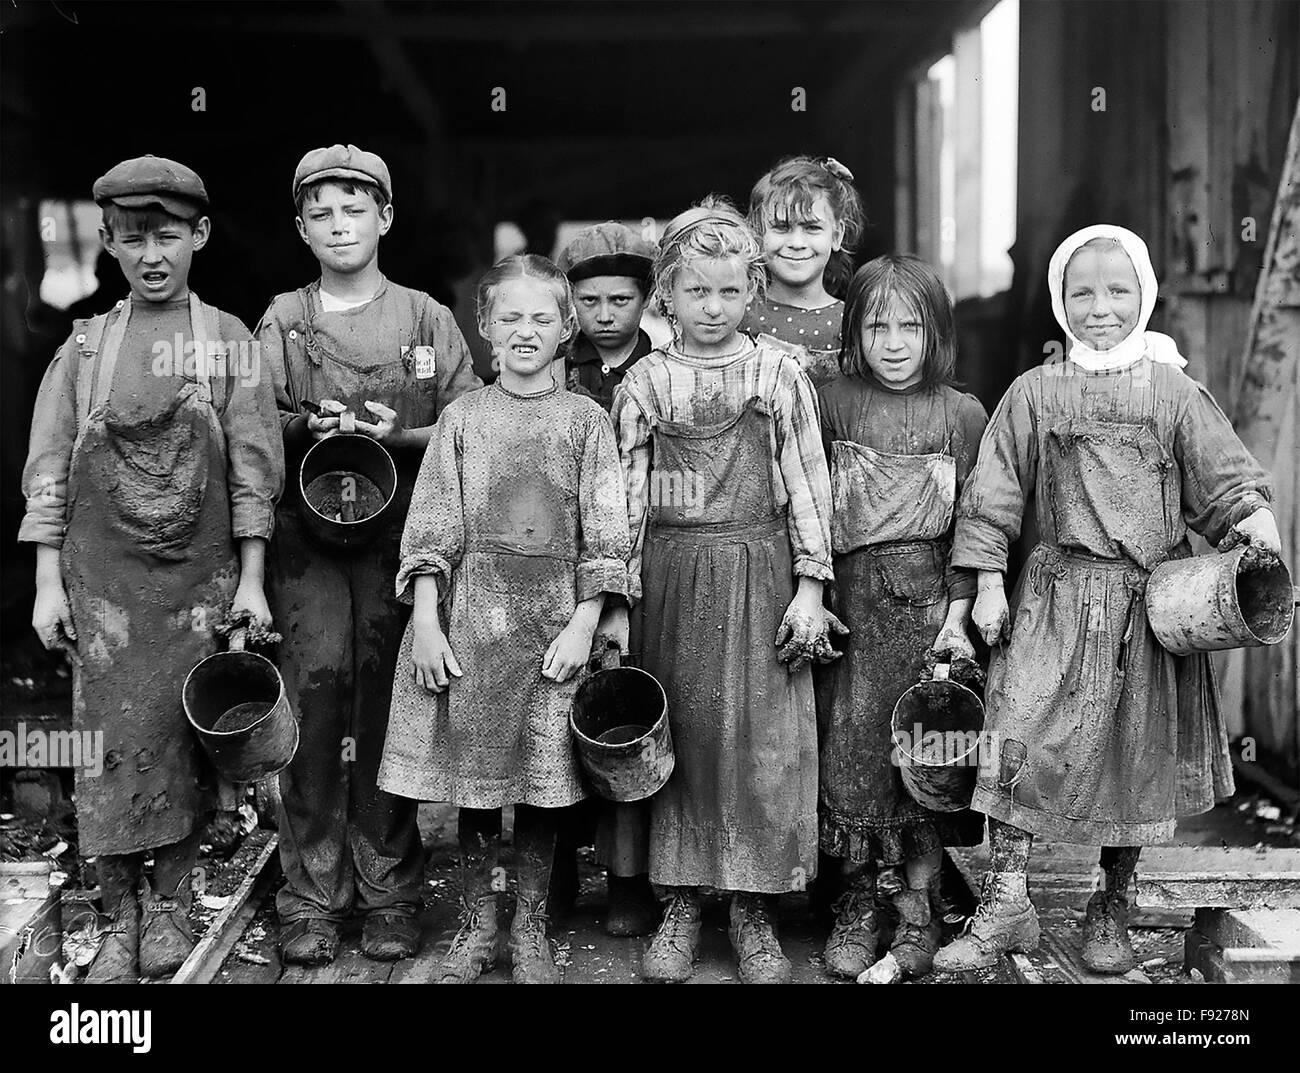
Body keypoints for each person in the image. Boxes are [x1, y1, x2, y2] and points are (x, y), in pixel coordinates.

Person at [937, 224, 1281, 974]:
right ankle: (1004, 905)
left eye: (1117, 291)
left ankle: (1112, 902)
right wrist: (989, 580)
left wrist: (1255, 523)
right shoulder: (1036, 390)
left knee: (1137, 748)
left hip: (1145, 610)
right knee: (1016, 731)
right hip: (1055, 598)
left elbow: (1225, 480)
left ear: (1145, 295)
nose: (1100, 307)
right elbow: (993, 488)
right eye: (1081, 291)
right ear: (1059, 301)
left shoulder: (1174, 391)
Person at [21, 155, 284, 981]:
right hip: (103, 592)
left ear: (199, 235)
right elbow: (48, 471)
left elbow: (253, 470)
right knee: (107, 745)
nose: (152, 254)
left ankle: (171, 904)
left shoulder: (229, 342)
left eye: (168, 235)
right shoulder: (86, 347)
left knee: (181, 739)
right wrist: (46, 584)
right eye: (132, 239)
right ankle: (117, 910)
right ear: (107, 242)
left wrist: (250, 580)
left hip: (195, 589)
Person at [378, 254, 631, 984]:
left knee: (544, 782)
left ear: (566, 328)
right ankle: (478, 921)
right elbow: (430, 529)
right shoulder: (461, 420)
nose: (526, 331)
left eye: (542, 318)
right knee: (479, 785)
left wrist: (585, 623)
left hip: (554, 630)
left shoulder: (587, 421)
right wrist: (426, 620)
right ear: (484, 327)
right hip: (474, 629)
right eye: (510, 318)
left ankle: (531, 926)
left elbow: (608, 534)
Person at [258, 144, 480, 966]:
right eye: (321, 212)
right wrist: (303, 425)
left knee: (392, 713)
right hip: (306, 548)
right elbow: (251, 424)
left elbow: (471, 422)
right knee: (313, 713)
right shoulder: (283, 319)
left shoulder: (426, 319)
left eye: (356, 208)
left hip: (401, 543)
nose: (339, 224)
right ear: (301, 228)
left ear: (386, 218)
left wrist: (404, 434)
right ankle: (311, 894)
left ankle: (390, 888)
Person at [609, 196, 841, 984]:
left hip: (762, 573)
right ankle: (679, 899)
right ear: (665, 294)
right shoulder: (644, 383)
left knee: (761, 746)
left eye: (729, 291)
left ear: (754, 291)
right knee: (685, 743)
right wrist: (615, 599)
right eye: (695, 290)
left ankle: (754, 909)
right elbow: (625, 503)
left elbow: (811, 488)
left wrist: (810, 587)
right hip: (670, 582)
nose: (713, 307)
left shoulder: (779, 373)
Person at [814, 254, 987, 980]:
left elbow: (973, 528)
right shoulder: (830, 401)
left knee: (922, 764)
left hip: (928, 617)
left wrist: (959, 617)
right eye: (875, 324)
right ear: (854, 328)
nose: (891, 341)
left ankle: (916, 914)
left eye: (909, 326)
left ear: (935, 332)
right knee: (852, 760)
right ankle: (856, 903)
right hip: (849, 611)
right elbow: (804, 508)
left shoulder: (963, 413)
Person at [547, 221, 660, 937]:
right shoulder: (557, 368)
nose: (606, 313)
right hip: (561, 560)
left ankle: (627, 882)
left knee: (623, 711)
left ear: (646, 298)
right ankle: (553, 872)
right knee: (553, 719)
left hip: (639, 558)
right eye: (589, 299)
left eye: (621, 297)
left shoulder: (663, 365)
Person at [742, 155, 865, 388]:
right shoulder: (739, 316)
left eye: (812, 228)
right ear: (758, 234)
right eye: (781, 227)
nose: (797, 242)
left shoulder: (853, 322)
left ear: (836, 235)